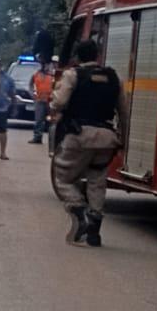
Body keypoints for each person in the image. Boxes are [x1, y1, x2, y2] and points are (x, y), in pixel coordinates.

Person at [50, 39, 127, 247]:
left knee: (62, 179)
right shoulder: (114, 77)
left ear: (77, 57)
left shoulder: (73, 75)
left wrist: (54, 99)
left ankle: (80, 212)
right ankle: (94, 231)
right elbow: (123, 111)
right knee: (97, 181)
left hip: (79, 136)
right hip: (106, 138)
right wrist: (123, 140)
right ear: (98, 55)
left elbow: (60, 102)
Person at [30, 58, 57, 145]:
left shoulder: (54, 75)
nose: (45, 66)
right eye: (43, 64)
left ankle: (54, 140)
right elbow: (31, 85)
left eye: (47, 65)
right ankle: (37, 137)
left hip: (51, 101)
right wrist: (33, 94)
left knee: (52, 121)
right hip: (40, 100)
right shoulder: (36, 74)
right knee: (39, 120)